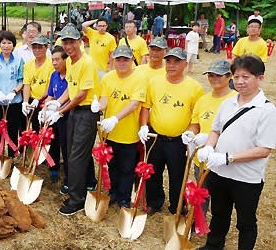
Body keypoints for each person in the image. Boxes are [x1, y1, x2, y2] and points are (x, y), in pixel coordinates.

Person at [195, 55, 276, 250]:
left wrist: (228, 158)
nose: (240, 81)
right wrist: (209, 148)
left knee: (246, 221)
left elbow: (264, 149)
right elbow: (216, 130)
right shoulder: (228, 102)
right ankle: (214, 246)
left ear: (259, 78)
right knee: (219, 212)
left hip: (246, 178)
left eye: (246, 77)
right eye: (237, 76)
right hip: (220, 172)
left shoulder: (267, 110)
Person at [138, 47, 204, 215]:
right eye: (169, 61)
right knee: (153, 172)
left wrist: (191, 133)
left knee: (177, 176)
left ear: (185, 64)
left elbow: (196, 118)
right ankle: (154, 201)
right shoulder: (155, 83)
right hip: (156, 138)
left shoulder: (195, 88)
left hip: (178, 141)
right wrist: (144, 125)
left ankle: (177, 206)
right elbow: (146, 107)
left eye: (177, 62)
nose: (172, 65)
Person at [51, 24, 101, 216]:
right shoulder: (70, 61)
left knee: (76, 156)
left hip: (87, 112)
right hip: (74, 111)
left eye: (72, 41)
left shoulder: (87, 63)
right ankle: (88, 183)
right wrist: (57, 103)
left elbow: (81, 94)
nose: (69, 45)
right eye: (65, 41)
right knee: (74, 151)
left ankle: (76, 199)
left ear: (80, 41)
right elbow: (70, 89)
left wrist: (61, 111)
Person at [182, 59, 237, 214]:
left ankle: (217, 227)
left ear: (229, 77)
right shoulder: (203, 100)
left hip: (222, 159)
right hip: (202, 157)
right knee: (201, 192)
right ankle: (197, 222)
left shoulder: (235, 101)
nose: (214, 79)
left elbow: (235, 132)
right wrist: (191, 133)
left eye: (219, 75)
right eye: (211, 75)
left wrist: (209, 139)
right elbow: (195, 123)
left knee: (220, 197)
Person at [97, 46, 146, 208]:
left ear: (132, 60)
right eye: (118, 59)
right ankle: (113, 193)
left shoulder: (139, 79)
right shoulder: (107, 78)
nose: (122, 62)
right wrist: (99, 107)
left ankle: (124, 198)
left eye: (126, 59)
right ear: (113, 61)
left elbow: (134, 104)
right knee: (113, 166)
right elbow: (105, 99)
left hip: (129, 134)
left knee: (127, 168)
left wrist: (115, 119)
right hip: (110, 133)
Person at [0, 31, 24, 158]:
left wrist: (13, 93)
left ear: (13, 45)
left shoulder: (19, 60)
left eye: (9, 43)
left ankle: (12, 157)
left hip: (14, 102)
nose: (6, 46)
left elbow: (21, 81)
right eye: (3, 43)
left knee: (13, 131)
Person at [45, 46, 70, 187]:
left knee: (66, 147)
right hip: (53, 115)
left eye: (57, 59)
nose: (54, 63)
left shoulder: (71, 76)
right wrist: (45, 108)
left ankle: (68, 175)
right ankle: (54, 168)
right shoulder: (54, 75)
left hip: (66, 116)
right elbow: (50, 95)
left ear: (66, 60)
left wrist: (59, 110)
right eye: (52, 60)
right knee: (53, 142)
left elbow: (71, 97)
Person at [22, 35, 53, 132]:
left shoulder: (51, 64)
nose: (37, 50)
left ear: (46, 48)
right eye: (34, 47)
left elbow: (50, 86)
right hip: (32, 101)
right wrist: (25, 101)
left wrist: (39, 99)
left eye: (40, 47)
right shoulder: (28, 65)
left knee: (42, 129)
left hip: (45, 101)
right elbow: (27, 84)